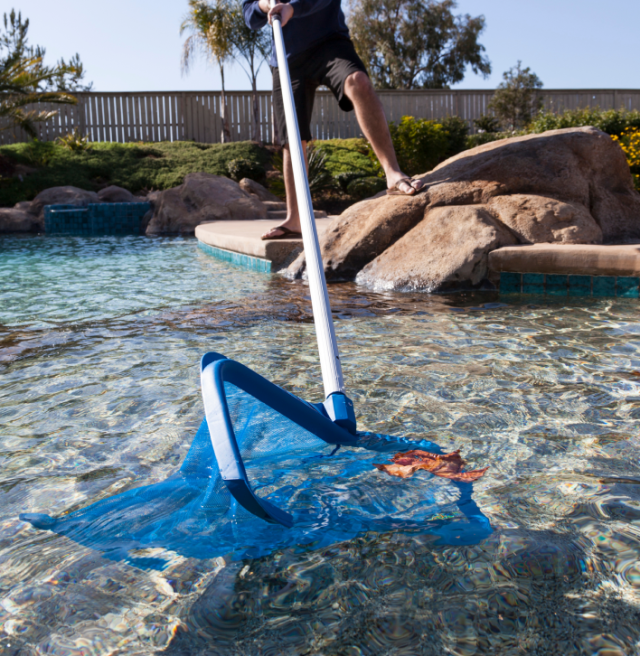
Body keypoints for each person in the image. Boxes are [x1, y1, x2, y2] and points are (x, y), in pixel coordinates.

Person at [243, 0, 425, 240]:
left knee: (358, 82)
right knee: (293, 139)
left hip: (329, 43)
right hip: (286, 58)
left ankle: (392, 173)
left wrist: (293, 7)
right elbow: (249, 15)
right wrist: (264, 5)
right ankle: (295, 218)